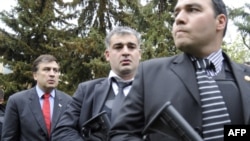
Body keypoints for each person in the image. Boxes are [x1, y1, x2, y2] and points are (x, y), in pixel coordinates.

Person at [109, 0, 250, 141]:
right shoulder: (150, 74)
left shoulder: (246, 77)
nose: (179, 19)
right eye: (176, 13)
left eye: (193, 9)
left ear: (220, 21)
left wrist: (232, 133)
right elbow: (121, 134)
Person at [52, 26, 142, 141]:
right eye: (118, 47)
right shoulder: (86, 91)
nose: (125, 52)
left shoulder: (155, 90)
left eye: (131, 47)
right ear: (107, 55)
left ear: (139, 54)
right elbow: (62, 131)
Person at [1, 54, 72, 141]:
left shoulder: (68, 101)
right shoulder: (17, 101)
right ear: (35, 75)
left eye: (56, 70)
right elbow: (8, 138)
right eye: (46, 69)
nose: (52, 74)